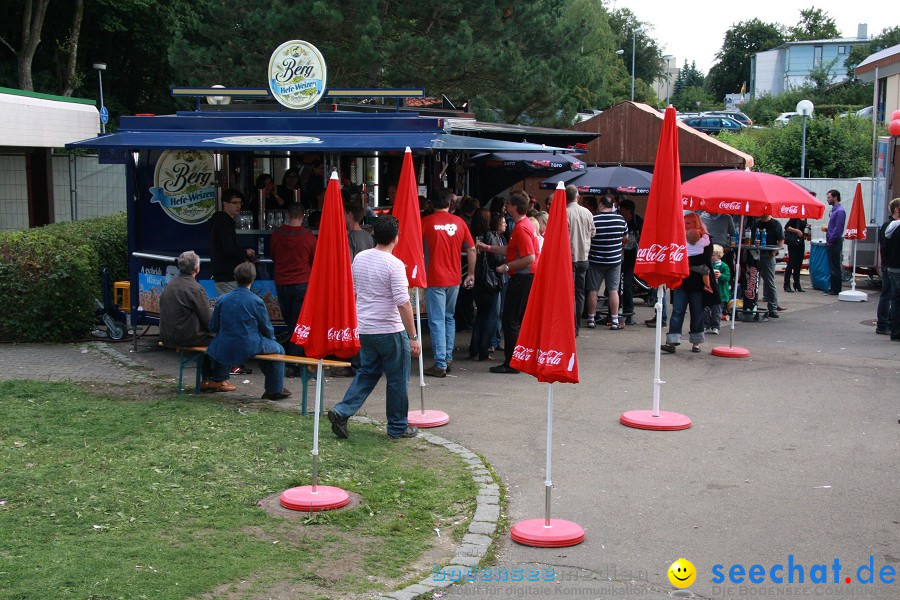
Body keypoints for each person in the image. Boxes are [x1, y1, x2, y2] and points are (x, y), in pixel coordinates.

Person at [327, 216, 422, 439]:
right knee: (397, 379)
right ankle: (397, 427)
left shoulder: (360, 258)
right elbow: (403, 302)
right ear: (396, 238)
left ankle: (342, 411)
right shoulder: (395, 264)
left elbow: (353, 290)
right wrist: (413, 336)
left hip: (366, 327)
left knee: (367, 373)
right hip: (390, 329)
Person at [206, 262, 291, 401]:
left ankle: (218, 378)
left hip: (224, 342)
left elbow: (213, 326)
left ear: (235, 277)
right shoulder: (256, 301)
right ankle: (274, 389)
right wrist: (271, 339)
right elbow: (267, 328)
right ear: (253, 278)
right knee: (278, 350)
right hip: (249, 344)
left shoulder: (222, 299)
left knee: (226, 342)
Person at [477, 190, 541, 373]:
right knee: (516, 320)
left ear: (514, 206)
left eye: (508, 205)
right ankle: (519, 359)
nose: (506, 207)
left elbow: (528, 257)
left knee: (510, 320)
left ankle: (512, 363)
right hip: (525, 276)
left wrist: (506, 267)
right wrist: (489, 247)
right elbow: (514, 250)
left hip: (522, 277)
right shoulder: (526, 224)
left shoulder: (521, 228)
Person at [159, 251, 234, 392]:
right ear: (197, 269)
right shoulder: (195, 288)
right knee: (226, 337)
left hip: (167, 334)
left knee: (209, 337)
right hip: (186, 336)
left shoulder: (170, 284)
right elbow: (209, 321)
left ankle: (206, 379)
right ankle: (219, 379)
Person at [421, 190, 476, 377]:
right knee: (449, 317)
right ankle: (447, 357)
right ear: (449, 204)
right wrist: (470, 273)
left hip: (434, 277)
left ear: (431, 204)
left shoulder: (426, 222)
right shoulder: (460, 222)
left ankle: (440, 363)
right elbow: (472, 249)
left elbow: (415, 247)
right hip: (454, 278)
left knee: (436, 320)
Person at [270, 203, 316, 363]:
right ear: (303, 216)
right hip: (302, 283)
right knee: (298, 323)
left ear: (287, 215)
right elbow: (314, 259)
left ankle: (292, 357)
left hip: (282, 283)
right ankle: (295, 359)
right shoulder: (308, 237)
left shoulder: (276, 235)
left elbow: (273, 256)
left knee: (289, 321)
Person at [663, 213, 712, 354]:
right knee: (678, 310)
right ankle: (672, 341)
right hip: (682, 280)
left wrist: (686, 263)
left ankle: (696, 342)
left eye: (688, 223)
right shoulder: (678, 237)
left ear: (696, 224)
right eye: (684, 223)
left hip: (696, 282)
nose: (685, 225)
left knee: (697, 312)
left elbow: (705, 259)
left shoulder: (706, 239)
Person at [586, 196, 627, 330]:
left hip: (595, 260)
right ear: (612, 205)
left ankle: (591, 319)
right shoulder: (621, 220)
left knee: (593, 291)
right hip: (614, 260)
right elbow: (625, 238)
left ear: (601, 204)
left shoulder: (594, 219)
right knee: (613, 291)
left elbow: (589, 237)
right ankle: (615, 320)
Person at [468, 208, 504, 361]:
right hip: (490, 281)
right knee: (491, 316)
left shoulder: (472, 235)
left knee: (481, 315)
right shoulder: (491, 236)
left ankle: (474, 348)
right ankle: (484, 349)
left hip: (478, 280)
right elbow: (496, 259)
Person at [209, 188, 255, 295]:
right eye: (235, 203)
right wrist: (245, 253)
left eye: (240, 203)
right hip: (227, 276)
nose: (238, 206)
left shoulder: (222, 220)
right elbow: (229, 248)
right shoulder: (223, 221)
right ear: (225, 204)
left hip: (225, 275)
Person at [565, 184, 595, 336]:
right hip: (583, 256)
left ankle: (569, 323)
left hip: (568, 258)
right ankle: (576, 326)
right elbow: (593, 233)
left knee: (567, 293)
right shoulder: (587, 213)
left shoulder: (564, 213)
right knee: (580, 293)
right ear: (577, 197)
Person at [751, 213, 785, 317]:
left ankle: (773, 308)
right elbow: (751, 238)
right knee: (753, 281)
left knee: (769, 282)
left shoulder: (775, 224)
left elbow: (781, 240)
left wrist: (773, 253)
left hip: (768, 256)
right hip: (756, 255)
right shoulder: (756, 223)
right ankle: (753, 305)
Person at [877, 198, 900, 338]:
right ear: (896, 209)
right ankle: (883, 324)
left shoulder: (888, 225)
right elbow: (885, 246)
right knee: (888, 296)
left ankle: (889, 324)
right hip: (890, 264)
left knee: (892, 296)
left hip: (889, 264)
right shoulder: (890, 225)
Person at [618, 199, 643, 325]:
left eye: (622, 211)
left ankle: (628, 311)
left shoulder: (638, 222)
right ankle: (616, 310)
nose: (619, 213)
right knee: (616, 286)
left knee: (627, 285)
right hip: (618, 256)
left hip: (632, 257)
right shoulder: (618, 221)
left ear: (628, 211)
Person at [704, 245, 730, 335]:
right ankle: (705, 325)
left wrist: (721, 276)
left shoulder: (723, 266)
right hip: (709, 290)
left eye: (713, 255)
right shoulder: (708, 264)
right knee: (706, 309)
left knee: (716, 311)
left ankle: (715, 326)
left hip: (720, 292)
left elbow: (728, 277)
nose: (711, 257)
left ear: (719, 255)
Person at [824, 189, 846, 296]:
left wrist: (831, 240)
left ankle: (836, 289)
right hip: (832, 240)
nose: (827, 199)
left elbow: (838, 228)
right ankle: (833, 287)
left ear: (835, 197)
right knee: (832, 265)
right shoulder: (835, 210)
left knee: (835, 265)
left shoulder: (839, 211)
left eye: (829, 197)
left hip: (834, 242)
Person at [783, 213, 808, 293]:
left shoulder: (805, 217)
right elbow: (787, 227)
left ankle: (797, 283)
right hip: (793, 242)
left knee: (799, 263)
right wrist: (797, 231)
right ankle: (786, 284)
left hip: (801, 241)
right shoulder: (795, 217)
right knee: (791, 262)